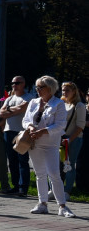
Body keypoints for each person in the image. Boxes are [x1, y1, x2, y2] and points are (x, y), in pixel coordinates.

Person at [23, 76, 75, 217]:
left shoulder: (58, 104)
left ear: (50, 89)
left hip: (51, 144)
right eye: (37, 87)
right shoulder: (33, 102)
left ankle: (62, 206)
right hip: (34, 143)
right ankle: (42, 204)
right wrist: (30, 127)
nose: (37, 90)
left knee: (54, 174)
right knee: (40, 174)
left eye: (41, 87)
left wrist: (43, 131)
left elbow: (60, 125)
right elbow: (26, 120)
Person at [61, 82, 84, 192]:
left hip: (74, 139)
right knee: (57, 165)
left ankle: (67, 190)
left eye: (67, 90)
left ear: (74, 91)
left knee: (69, 165)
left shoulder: (79, 106)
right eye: (63, 90)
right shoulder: (62, 104)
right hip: (61, 138)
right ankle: (56, 189)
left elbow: (80, 126)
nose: (64, 92)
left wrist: (69, 140)